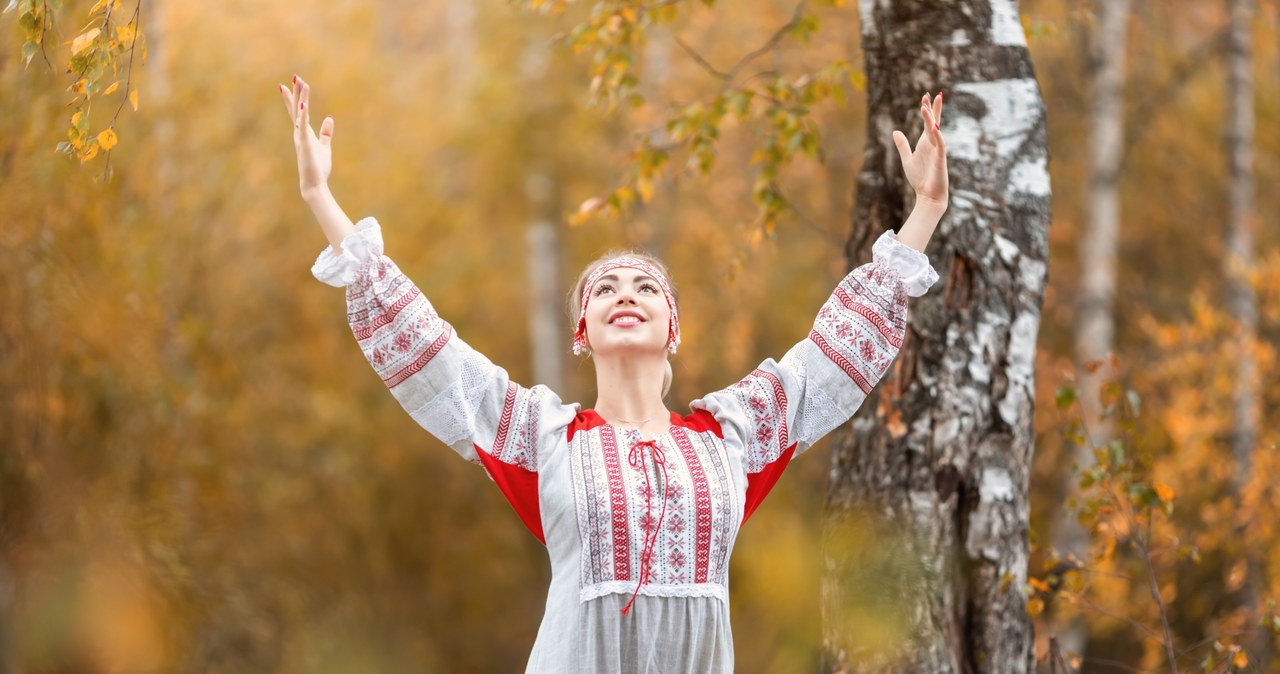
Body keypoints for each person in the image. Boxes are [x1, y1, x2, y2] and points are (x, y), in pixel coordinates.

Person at [279, 74, 947, 672]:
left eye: (646, 287)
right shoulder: (541, 438)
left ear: (673, 330)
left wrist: (925, 212)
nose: (626, 294)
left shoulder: (730, 440)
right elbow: (428, 351)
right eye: (605, 289)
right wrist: (320, 196)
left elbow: (832, 356)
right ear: (583, 332)